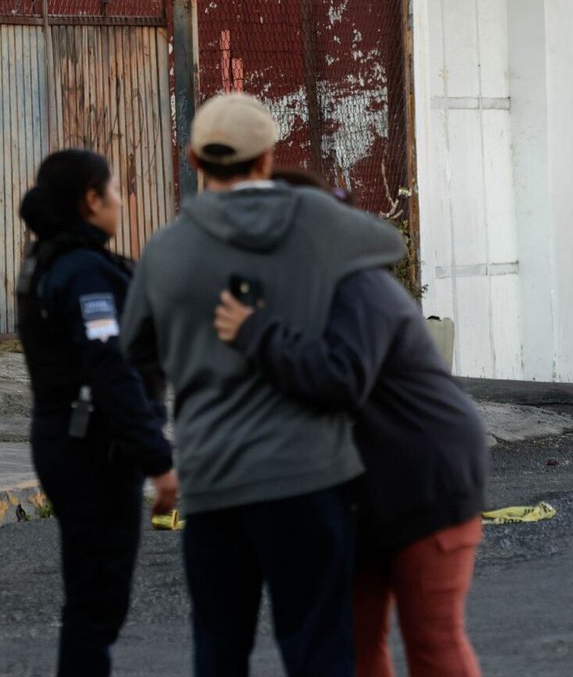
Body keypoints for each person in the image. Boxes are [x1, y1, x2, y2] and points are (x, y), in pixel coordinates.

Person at [120, 92, 406, 677]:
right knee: (319, 649)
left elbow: (134, 362)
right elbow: (390, 244)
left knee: (219, 649)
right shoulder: (321, 224)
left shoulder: (166, 250)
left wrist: (156, 450)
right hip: (311, 478)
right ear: (269, 156)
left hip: (213, 479)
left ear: (195, 160)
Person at [212, 207, 488, 677]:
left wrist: (254, 332)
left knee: (431, 639)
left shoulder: (359, 288)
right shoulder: (298, 298)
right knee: (352, 645)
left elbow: (339, 378)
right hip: (358, 496)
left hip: (428, 484)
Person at [15, 148, 178, 677]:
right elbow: (110, 370)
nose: (119, 202)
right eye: (112, 191)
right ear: (90, 199)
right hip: (93, 448)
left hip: (69, 440)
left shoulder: (52, 260)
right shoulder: (83, 271)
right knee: (97, 599)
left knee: (92, 593)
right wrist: (158, 458)